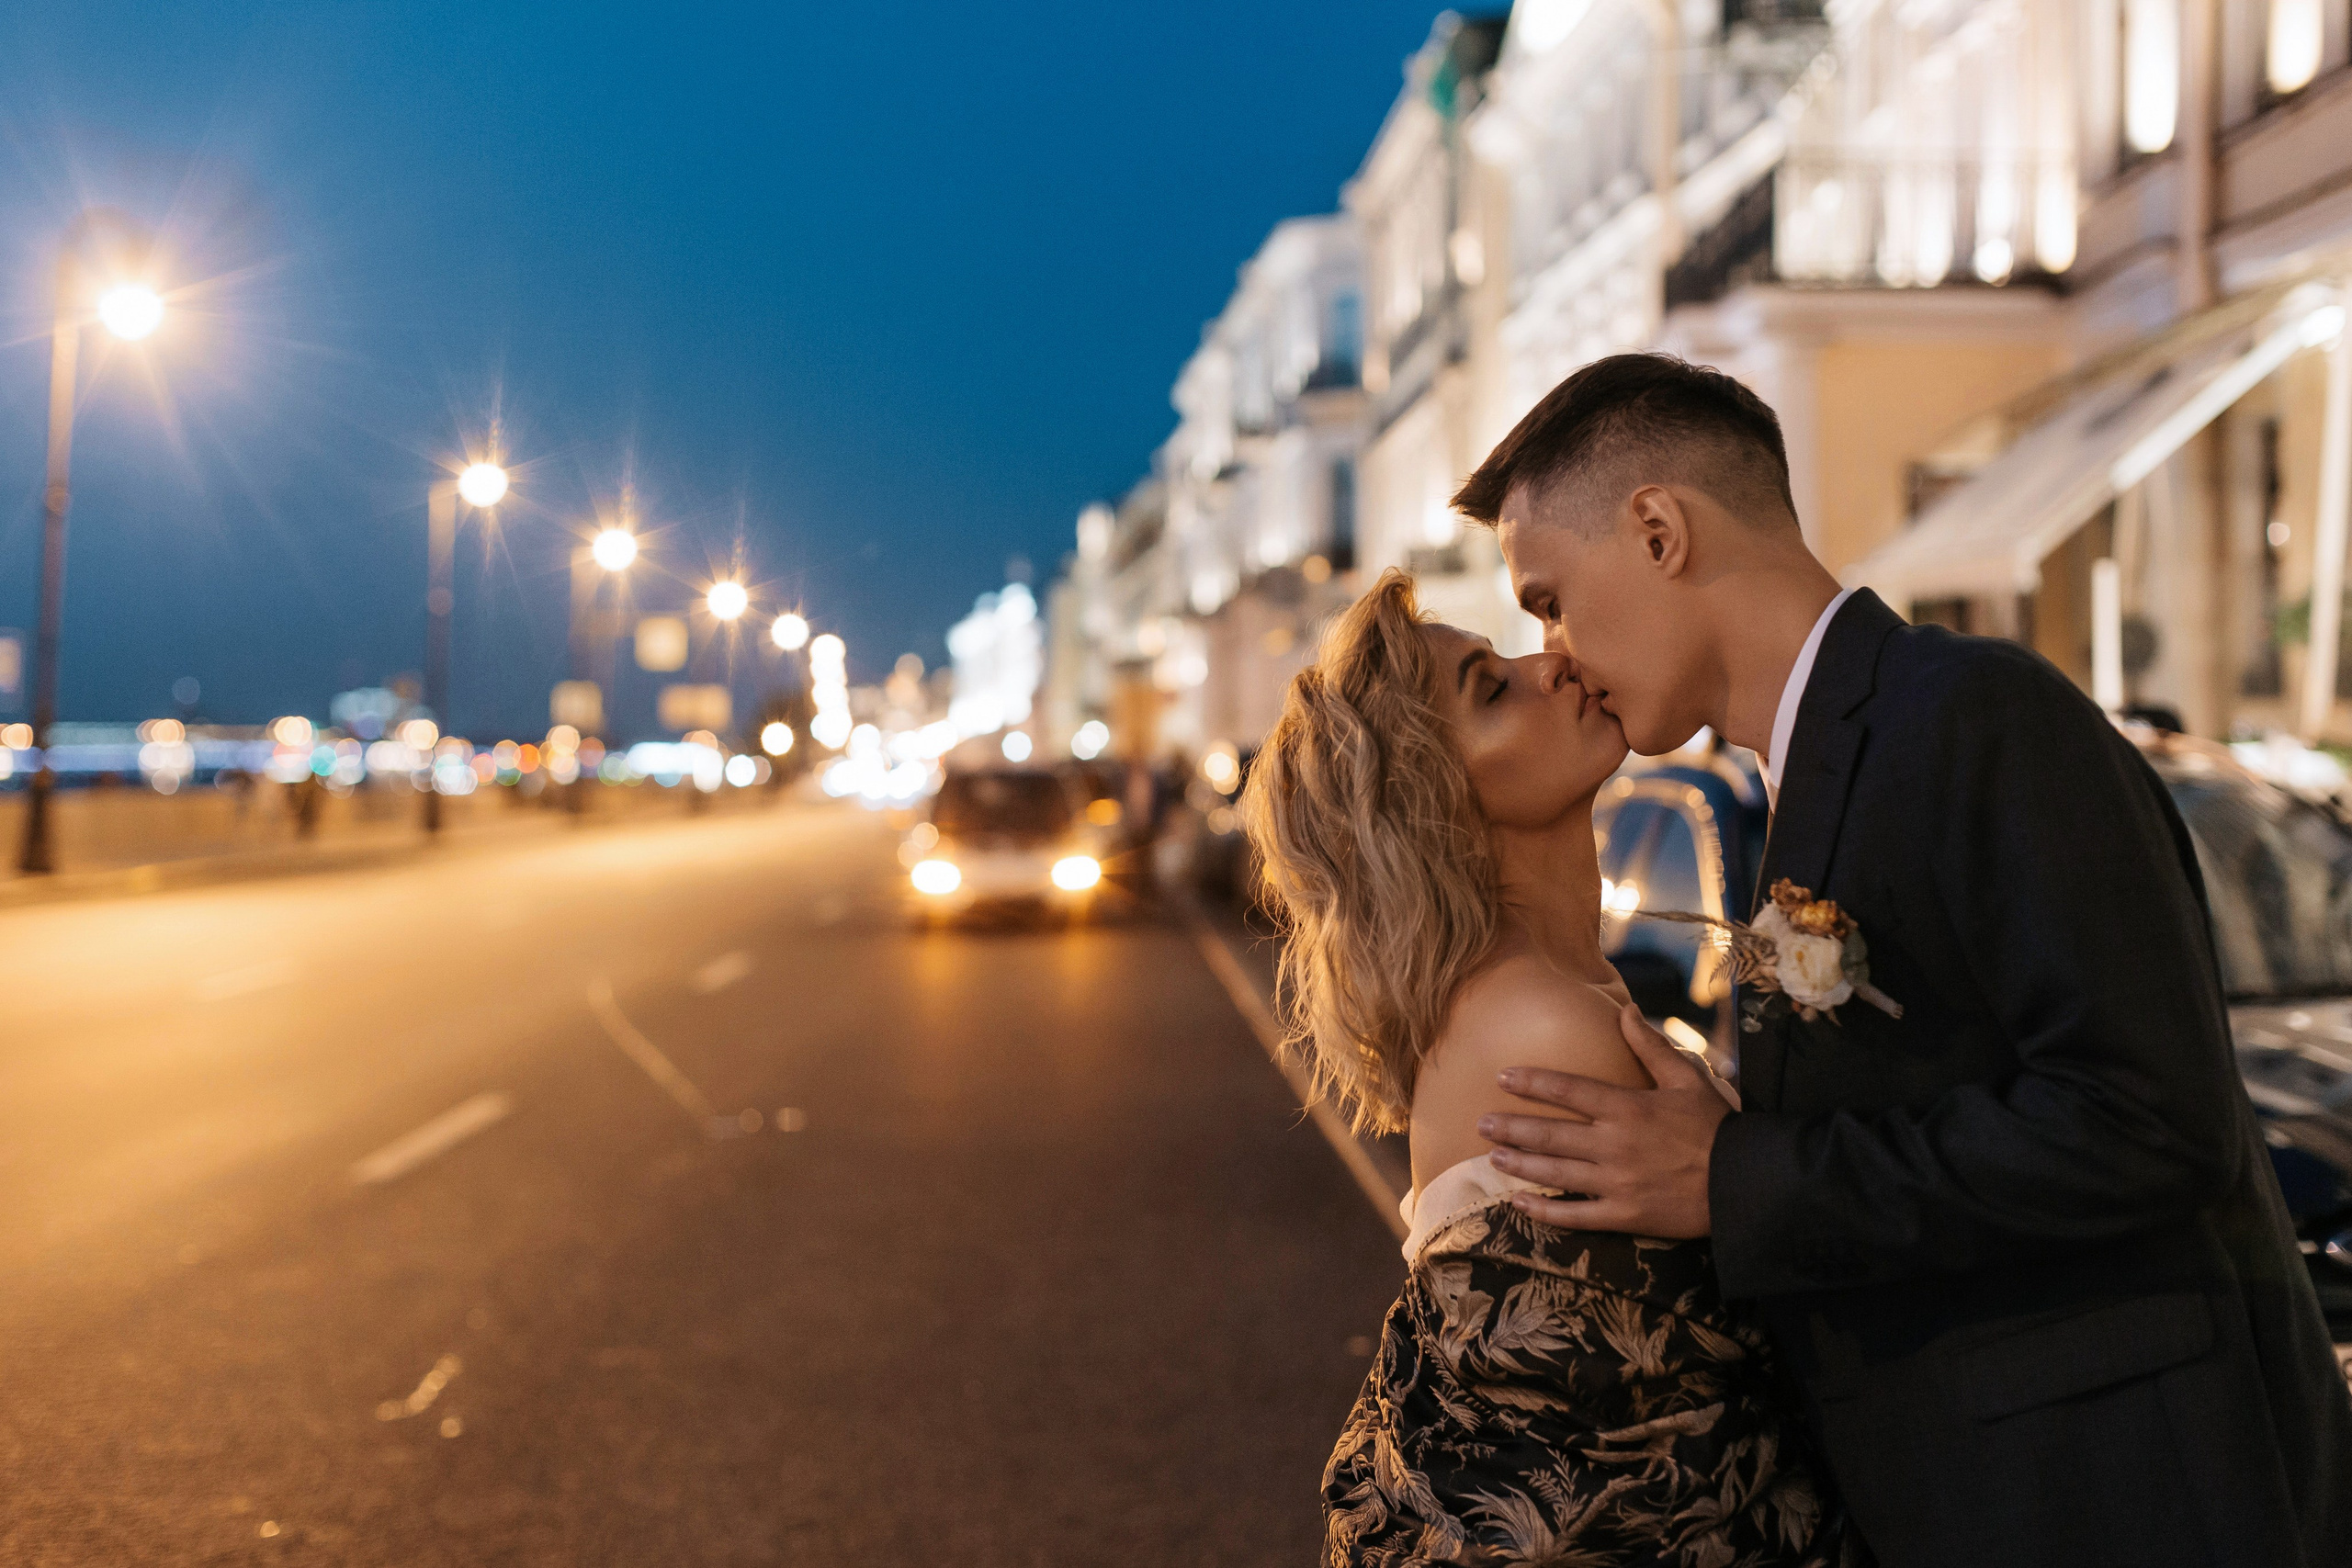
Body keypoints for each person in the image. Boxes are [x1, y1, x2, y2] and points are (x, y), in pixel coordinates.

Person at [1456, 353, 2352, 1567]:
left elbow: (2147, 1115)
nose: (1555, 647)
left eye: (1550, 597)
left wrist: (1738, 1176)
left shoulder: (1978, 713)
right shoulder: (1812, 773)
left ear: (1659, 529)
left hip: (2126, 1496)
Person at [1242, 571, 1858, 1566]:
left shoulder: (1541, 992)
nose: (1552, 664)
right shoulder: (1541, 1028)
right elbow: (1712, 1384)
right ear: (1433, 800)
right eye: (1493, 687)